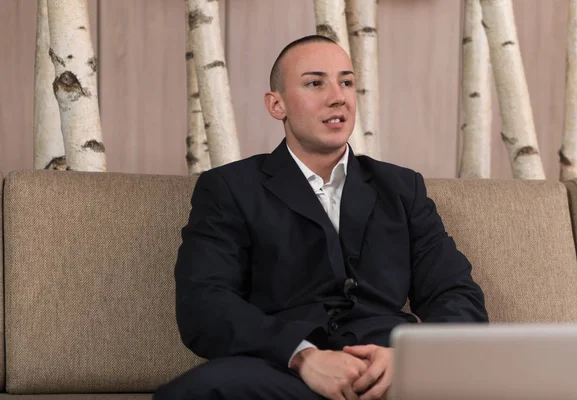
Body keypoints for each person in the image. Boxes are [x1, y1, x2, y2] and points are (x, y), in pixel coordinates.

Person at [154, 35, 488, 400]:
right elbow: (204, 304)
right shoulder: (230, 188)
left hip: (388, 368)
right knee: (196, 393)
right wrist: (302, 356)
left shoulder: (402, 188)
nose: (338, 96)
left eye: (346, 82)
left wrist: (410, 357)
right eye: (315, 83)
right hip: (284, 370)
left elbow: (456, 294)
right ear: (277, 105)